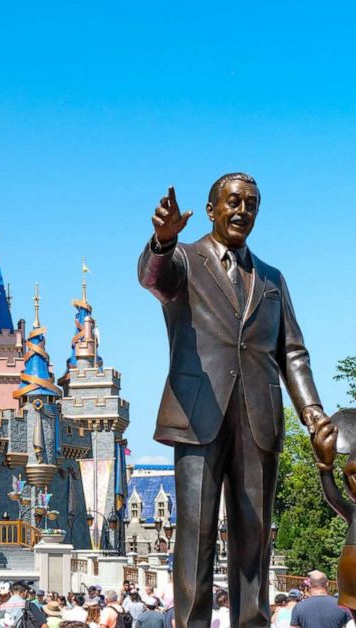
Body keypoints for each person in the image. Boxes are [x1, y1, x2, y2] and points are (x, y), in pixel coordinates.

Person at [140, 176, 332, 628]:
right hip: (197, 411)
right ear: (211, 209)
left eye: (252, 204)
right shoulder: (185, 259)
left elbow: (292, 353)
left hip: (259, 418)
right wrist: (163, 242)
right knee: (196, 535)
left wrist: (312, 410)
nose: (243, 210)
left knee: (254, 539)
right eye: (233, 202)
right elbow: (154, 279)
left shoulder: (272, 278)